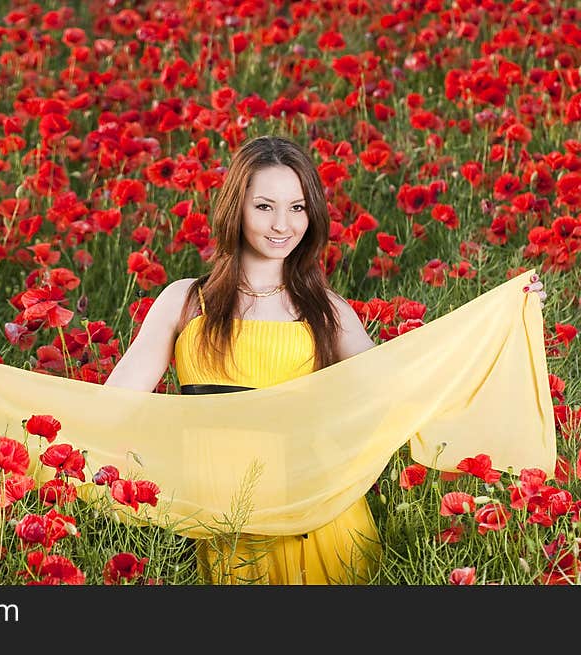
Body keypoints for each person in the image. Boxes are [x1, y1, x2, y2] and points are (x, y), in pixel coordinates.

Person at [101, 135, 547, 584]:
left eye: (297, 207)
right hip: (218, 521)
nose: (282, 224)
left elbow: (396, 387)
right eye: (264, 206)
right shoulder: (186, 301)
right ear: (235, 207)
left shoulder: (325, 310)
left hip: (313, 521)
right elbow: (115, 403)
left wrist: (498, 319)